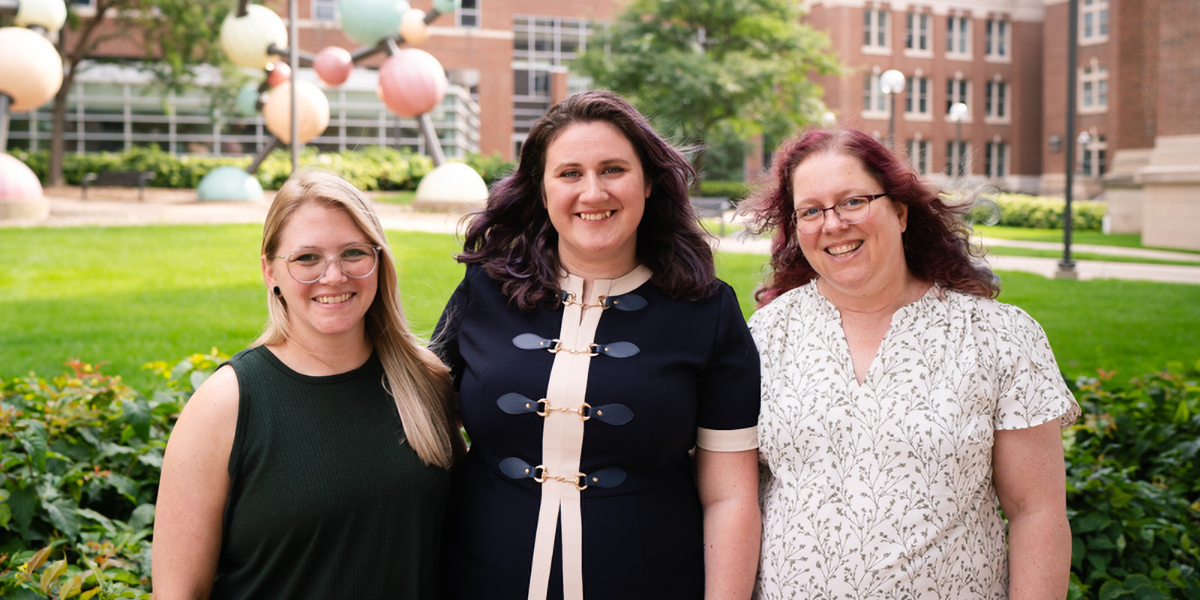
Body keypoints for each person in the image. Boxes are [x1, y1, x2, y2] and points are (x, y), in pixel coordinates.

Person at [432, 90, 761, 600]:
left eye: (613, 170)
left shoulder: (708, 311)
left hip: (650, 581)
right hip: (483, 574)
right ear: (542, 191)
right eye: (569, 173)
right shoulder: (483, 292)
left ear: (648, 182)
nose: (592, 192)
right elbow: (418, 424)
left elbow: (730, 497)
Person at [743, 128, 1080, 600]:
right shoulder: (765, 336)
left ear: (900, 212)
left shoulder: (998, 336)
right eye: (811, 211)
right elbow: (734, 499)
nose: (833, 224)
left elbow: (1036, 512)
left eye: (853, 201)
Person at [152, 169, 462, 600]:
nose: (333, 276)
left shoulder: (426, 380)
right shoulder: (225, 406)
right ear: (269, 271)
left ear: (379, 260)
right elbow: (178, 593)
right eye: (306, 258)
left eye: (353, 252)